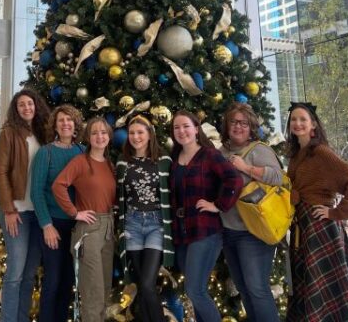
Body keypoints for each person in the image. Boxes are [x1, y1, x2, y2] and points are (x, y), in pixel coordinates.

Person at [285, 102, 348, 322]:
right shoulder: (297, 153)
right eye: (294, 119)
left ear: (313, 125)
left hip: (320, 227)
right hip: (303, 225)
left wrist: (336, 213)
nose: (298, 123)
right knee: (310, 281)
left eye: (303, 119)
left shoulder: (320, 152)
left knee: (325, 284)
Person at [170, 110, 243, 322]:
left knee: (195, 291)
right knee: (195, 291)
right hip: (182, 233)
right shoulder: (175, 158)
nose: (181, 131)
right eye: (176, 127)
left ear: (195, 129)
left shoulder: (209, 154)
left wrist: (218, 205)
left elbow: (234, 180)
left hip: (205, 231)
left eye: (186, 126)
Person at [219, 103, 283, 322]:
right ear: (226, 126)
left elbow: (278, 177)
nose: (238, 127)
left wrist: (245, 168)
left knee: (257, 289)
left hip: (254, 232)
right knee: (244, 289)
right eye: (233, 122)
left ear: (251, 126)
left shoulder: (259, 150)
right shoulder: (222, 152)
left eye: (243, 123)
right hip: (228, 230)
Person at [52, 117, 116, 322]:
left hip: (109, 228)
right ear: (88, 137)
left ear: (109, 136)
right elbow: (58, 185)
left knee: (105, 287)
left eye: (103, 132)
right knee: (93, 291)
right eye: (95, 133)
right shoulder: (80, 161)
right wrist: (74, 212)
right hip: (90, 229)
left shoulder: (110, 164)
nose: (100, 136)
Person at [0, 89, 50, 322]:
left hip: (38, 213)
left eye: (30, 103)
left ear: (36, 106)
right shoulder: (9, 133)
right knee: (15, 275)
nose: (26, 108)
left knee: (29, 276)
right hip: (16, 212)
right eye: (21, 105)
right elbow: (1, 171)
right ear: (15, 110)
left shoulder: (43, 133)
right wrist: (8, 209)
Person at [30, 104, 85, 322]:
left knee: (68, 281)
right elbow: (36, 192)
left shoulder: (82, 152)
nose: (65, 124)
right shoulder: (46, 153)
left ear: (75, 125)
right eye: (61, 120)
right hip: (53, 225)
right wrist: (46, 225)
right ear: (55, 125)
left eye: (69, 120)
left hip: (76, 226)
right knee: (52, 280)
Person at [116, 115, 173, 322]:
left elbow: (172, 194)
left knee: (149, 283)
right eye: (132, 133)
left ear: (150, 134)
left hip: (155, 225)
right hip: (132, 223)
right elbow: (118, 195)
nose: (136, 137)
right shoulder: (123, 161)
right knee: (140, 284)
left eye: (140, 132)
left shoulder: (164, 160)